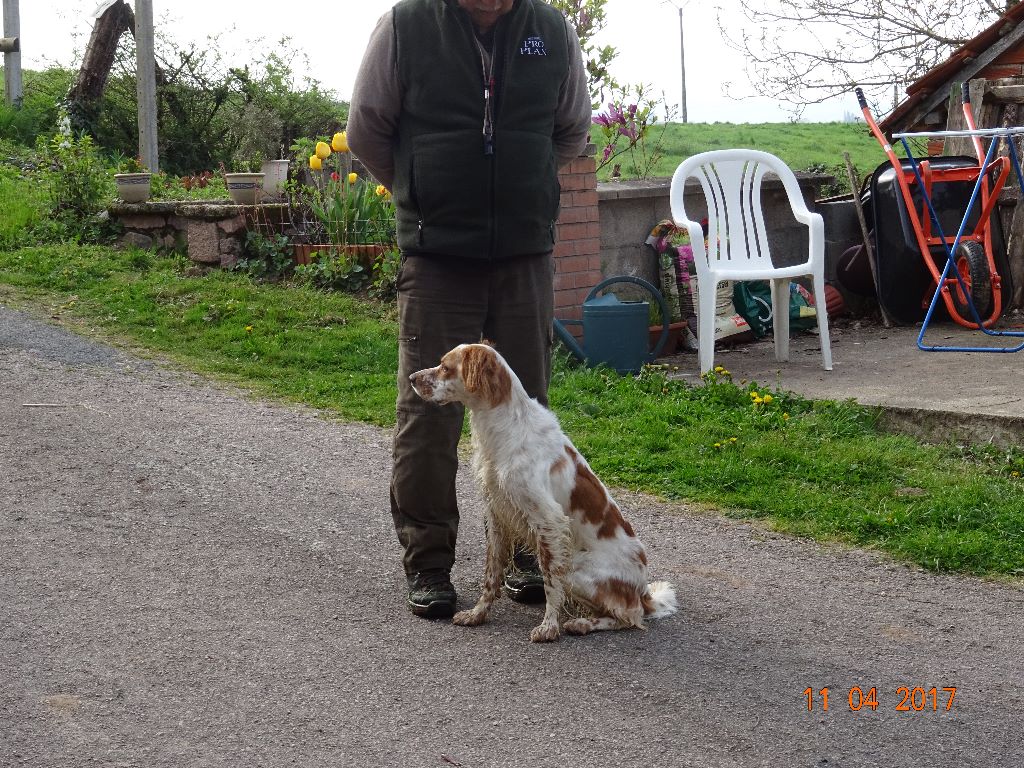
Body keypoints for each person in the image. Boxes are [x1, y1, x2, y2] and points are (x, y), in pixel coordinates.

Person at [347, 0, 591, 618]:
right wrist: (420, 190)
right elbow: (366, 130)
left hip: (522, 253)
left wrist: (520, 180)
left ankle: (521, 559)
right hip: (437, 256)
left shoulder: (552, 31)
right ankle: (429, 564)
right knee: (428, 414)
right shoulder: (405, 27)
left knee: (524, 415)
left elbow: (569, 132)